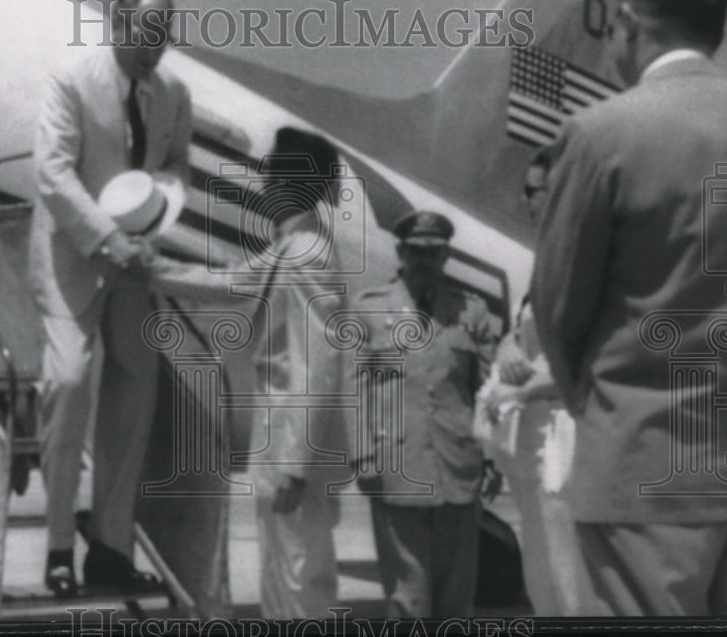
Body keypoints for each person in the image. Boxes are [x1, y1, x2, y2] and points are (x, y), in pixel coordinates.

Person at [530, 0, 727, 616]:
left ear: (624, 20)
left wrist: (604, 416)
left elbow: (558, 310)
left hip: (643, 467)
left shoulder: (601, 132)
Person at [28, 0, 192, 596]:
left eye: (165, 34)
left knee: (136, 387)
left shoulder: (174, 94)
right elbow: (52, 170)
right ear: (119, 25)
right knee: (69, 382)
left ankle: (111, 548)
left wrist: (154, 215)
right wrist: (105, 236)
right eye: (147, 33)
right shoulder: (72, 78)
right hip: (72, 258)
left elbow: (177, 163)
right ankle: (57, 546)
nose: (157, 47)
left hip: (134, 263)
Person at [149, 127, 349, 619]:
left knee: (299, 583)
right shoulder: (293, 247)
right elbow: (235, 280)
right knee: (287, 580)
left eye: (271, 176)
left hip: (292, 457)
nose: (263, 187)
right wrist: (152, 268)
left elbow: (317, 365)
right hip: (283, 452)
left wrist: (294, 466)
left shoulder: (305, 255)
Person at [352, 211, 500, 618]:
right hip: (397, 464)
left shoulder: (471, 313)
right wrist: (362, 454)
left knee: (457, 597)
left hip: (458, 464)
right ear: (400, 252)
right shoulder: (369, 309)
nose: (423, 260)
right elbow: (355, 388)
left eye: (432, 253)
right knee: (407, 595)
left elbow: (487, 391)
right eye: (415, 252)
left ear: (445, 256)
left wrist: (492, 455)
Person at [478, 151, 588, 616]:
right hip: (534, 449)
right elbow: (527, 333)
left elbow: (593, 360)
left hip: (567, 447)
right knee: (543, 579)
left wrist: (519, 390)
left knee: (571, 584)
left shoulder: (584, 262)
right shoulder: (549, 260)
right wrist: (506, 349)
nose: (525, 202)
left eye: (533, 191)